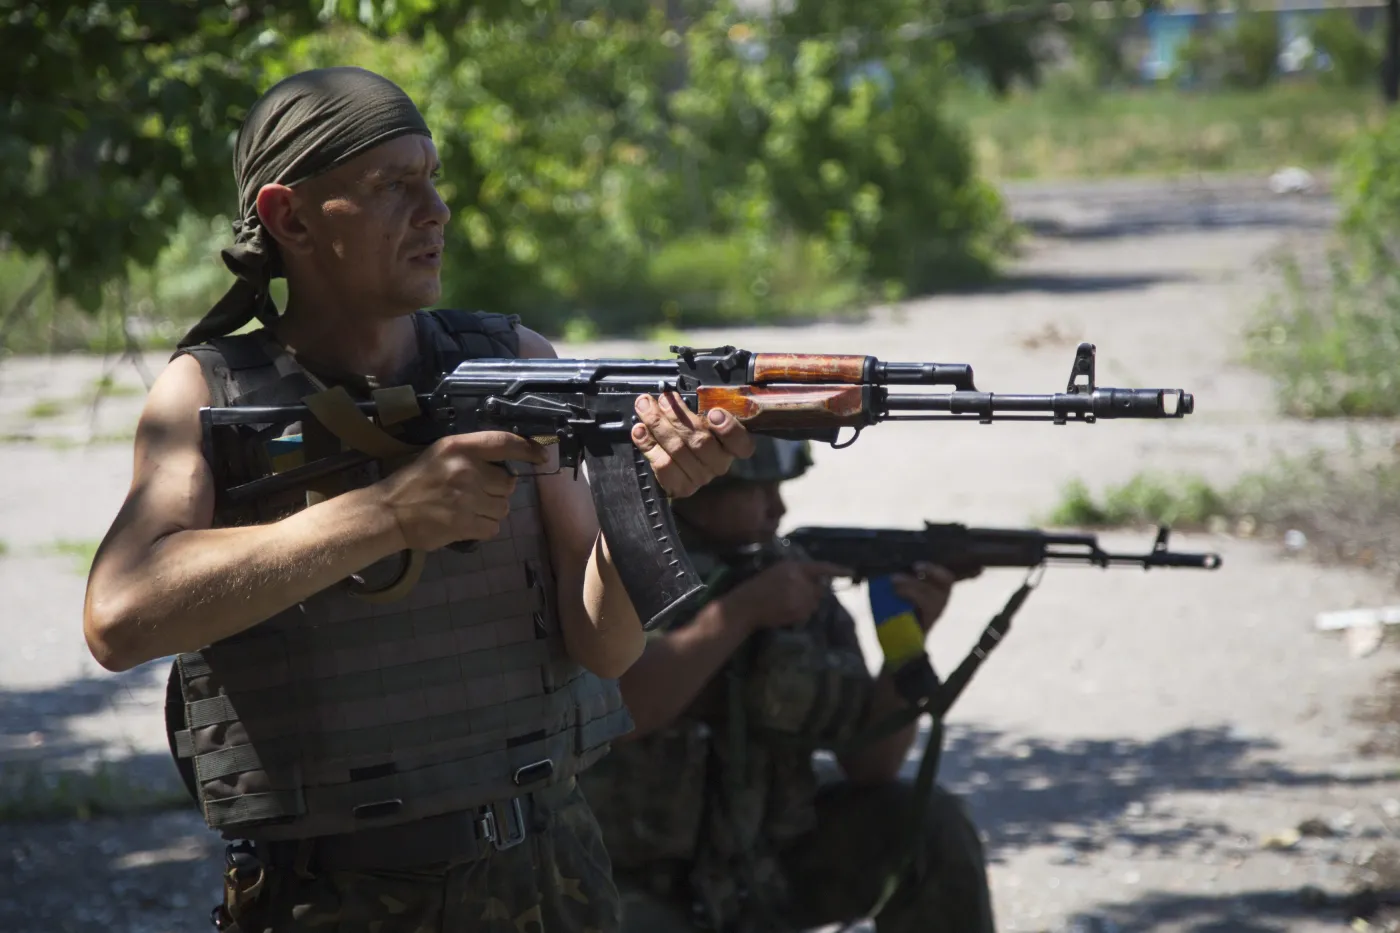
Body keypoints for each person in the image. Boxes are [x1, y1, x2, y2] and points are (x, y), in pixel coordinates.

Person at [80, 66, 754, 933]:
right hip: (335, 893)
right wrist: (388, 514)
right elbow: (120, 614)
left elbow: (605, 647)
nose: (433, 210)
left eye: (431, 179)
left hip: (548, 871)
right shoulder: (209, 392)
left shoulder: (514, 358)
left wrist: (645, 494)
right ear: (289, 216)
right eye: (391, 185)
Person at [578, 437, 997, 933]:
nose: (779, 508)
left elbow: (870, 764)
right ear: (698, 484)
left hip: (764, 865)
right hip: (631, 884)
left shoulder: (788, 579)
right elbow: (623, 708)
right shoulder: (622, 573)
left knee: (928, 823)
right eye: (759, 491)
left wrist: (907, 645)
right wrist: (739, 614)